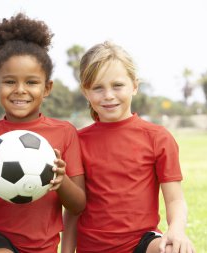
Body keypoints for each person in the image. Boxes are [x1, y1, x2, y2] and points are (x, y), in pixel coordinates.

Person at [0, 13, 86, 253]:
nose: (20, 90)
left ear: (47, 87)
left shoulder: (64, 133)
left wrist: (61, 181)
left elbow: (78, 205)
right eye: (10, 82)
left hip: (44, 245)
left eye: (31, 82)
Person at [61, 41, 195, 253]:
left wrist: (176, 230)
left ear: (134, 85)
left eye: (117, 85)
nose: (108, 95)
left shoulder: (157, 138)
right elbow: (73, 210)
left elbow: (175, 199)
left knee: (174, 250)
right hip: (92, 247)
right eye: (97, 88)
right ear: (85, 92)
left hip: (142, 243)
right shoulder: (76, 141)